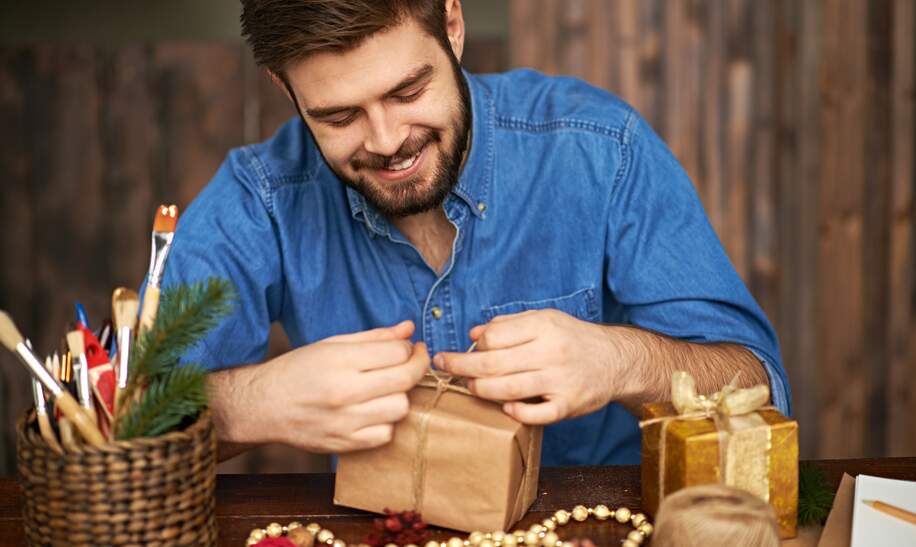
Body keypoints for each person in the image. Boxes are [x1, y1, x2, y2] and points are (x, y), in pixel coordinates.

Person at [163, 0, 790, 466]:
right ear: (285, 89)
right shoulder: (260, 198)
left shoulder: (600, 149)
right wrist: (249, 405)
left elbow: (760, 388)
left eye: (408, 90)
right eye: (338, 115)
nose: (386, 142)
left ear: (453, 26)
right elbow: (118, 422)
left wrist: (617, 361)